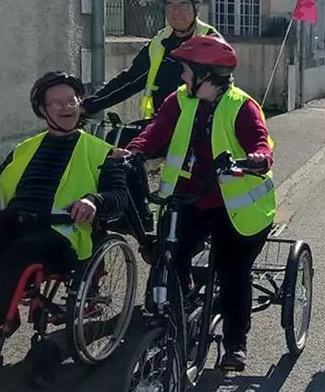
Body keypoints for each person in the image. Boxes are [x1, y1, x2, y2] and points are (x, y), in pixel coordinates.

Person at [0, 73, 129, 360]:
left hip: (59, 234)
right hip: (11, 222)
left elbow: (119, 195)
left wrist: (93, 200)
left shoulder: (102, 152)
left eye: (71, 100)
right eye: (55, 102)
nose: (65, 107)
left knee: (24, 250)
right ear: (42, 110)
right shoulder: (25, 148)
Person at [113, 34, 274, 371]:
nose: (183, 76)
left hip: (236, 208)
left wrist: (257, 158)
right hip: (189, 198)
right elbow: (157, 130)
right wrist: (134, 151)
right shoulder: (180, 100)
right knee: (169, 256)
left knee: (233, 273)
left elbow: (260, 142)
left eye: (187, 70)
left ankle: (234, 343)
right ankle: (178, 308)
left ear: (207, 74)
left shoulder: (241, 106)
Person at [80, 0, 221, 139]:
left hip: (200, 125)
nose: (176, 12)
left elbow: (220, 86)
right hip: (162, 122)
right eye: (170, 5)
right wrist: (88, 106)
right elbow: (130, 80)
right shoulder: (160, 41)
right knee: (117, 138)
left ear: (196, 8)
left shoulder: (210, 40)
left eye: (183, 5)